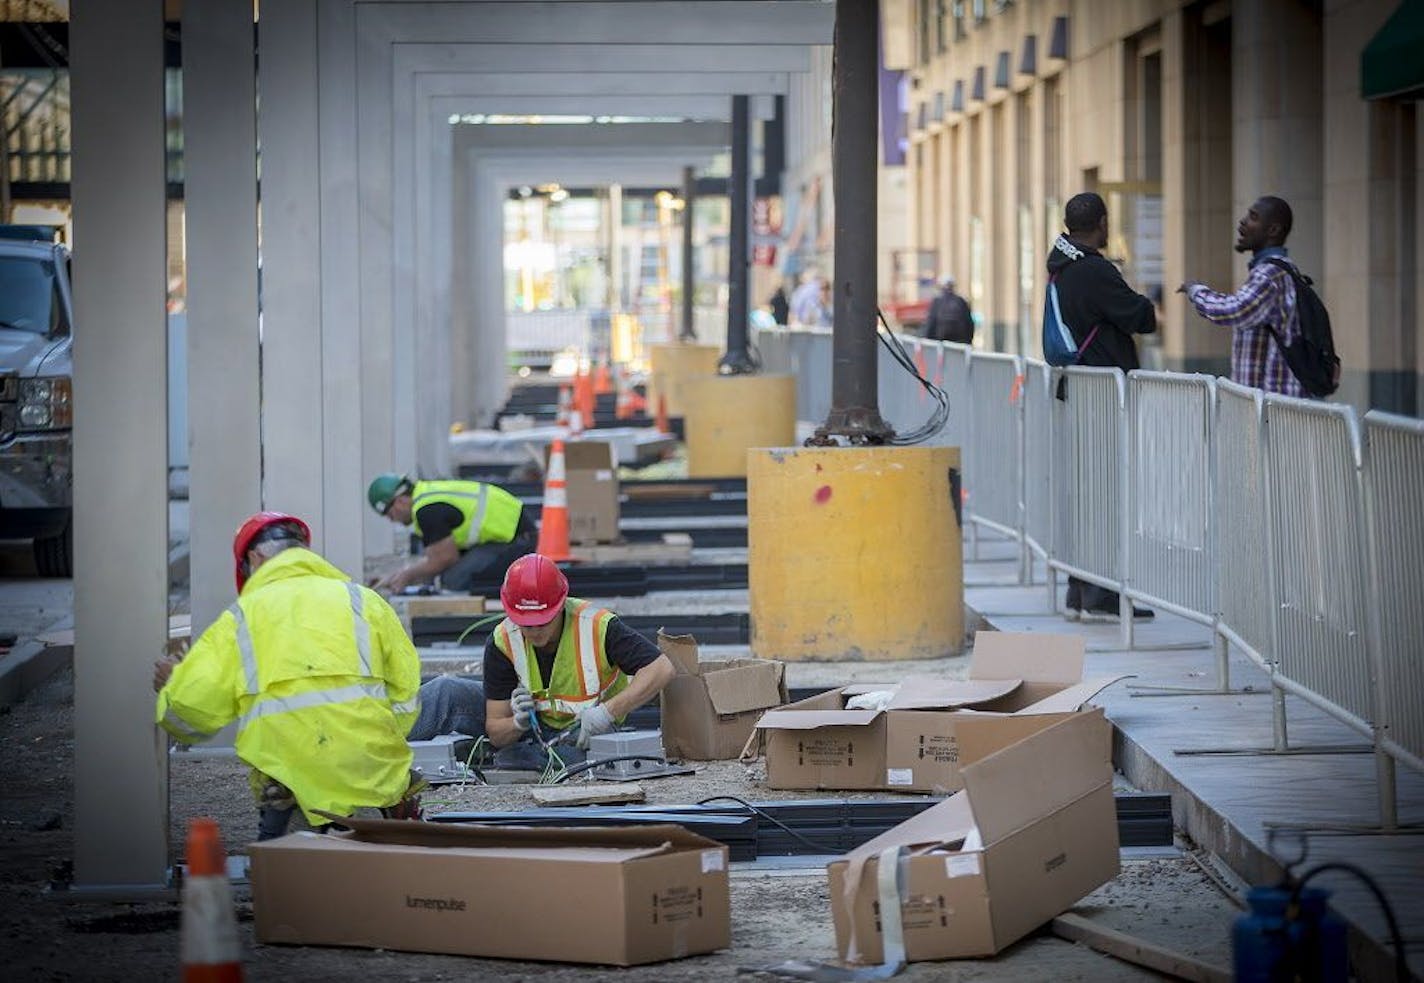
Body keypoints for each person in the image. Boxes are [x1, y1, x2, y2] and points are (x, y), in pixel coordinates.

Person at [153, 512, 424, 840]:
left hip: (289, 779)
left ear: (254, 558)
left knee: (280, 879)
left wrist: (174, 686)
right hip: (371, 769)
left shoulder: (242, 617)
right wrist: (371, 739)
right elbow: (407, 694)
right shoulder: (363, 601)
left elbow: (189, 720)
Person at [1046, 192, 1157, 624]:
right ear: (1102, 223)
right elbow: (1139, 316)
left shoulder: (1062, 266)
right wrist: (1147, 302)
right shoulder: (1093, 270)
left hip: (1080, 393)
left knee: (1089, 494)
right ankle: (1101, 594)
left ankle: (1081, 589)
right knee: (1108, 495)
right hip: (1104, 397)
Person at [483, 553, 675, 770]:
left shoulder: (596, 626)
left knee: (566, 758)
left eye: (543, 622)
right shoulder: (503, 640)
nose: (535, 631)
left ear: (560, 605)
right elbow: (496, 732)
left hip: (587, 731)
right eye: (526, 625)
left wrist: (606, 713)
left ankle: (528, 758)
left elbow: (661, 668)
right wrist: (517, 723)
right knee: (447, 692)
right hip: (534, 727)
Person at [1177, 195, 1305, 397]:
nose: (1243, 221)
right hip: (1266, 406)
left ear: (1273, 230)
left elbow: (1234, 310)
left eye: (1253, 217)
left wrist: (1196, 291)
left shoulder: (1270, 274)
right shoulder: (1276, 270)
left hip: (1272, 407)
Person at [368, 472, 537, 593]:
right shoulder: (427, 493)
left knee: (453, 580)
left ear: (398, 502)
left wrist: (407, 575)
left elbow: (445, 558)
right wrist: (395, 576)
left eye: (389, 514)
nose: (392, 520)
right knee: (440, 575)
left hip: (516, 540)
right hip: (511, 532)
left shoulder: (426, 510)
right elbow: (435, 557)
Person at [922, 274, 974, 344]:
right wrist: (968, 341)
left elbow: (931, 323)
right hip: (960, 343)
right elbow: (969, 323)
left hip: (941, 344)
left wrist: (927, 341)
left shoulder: (937, 302)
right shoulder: (961, 301)